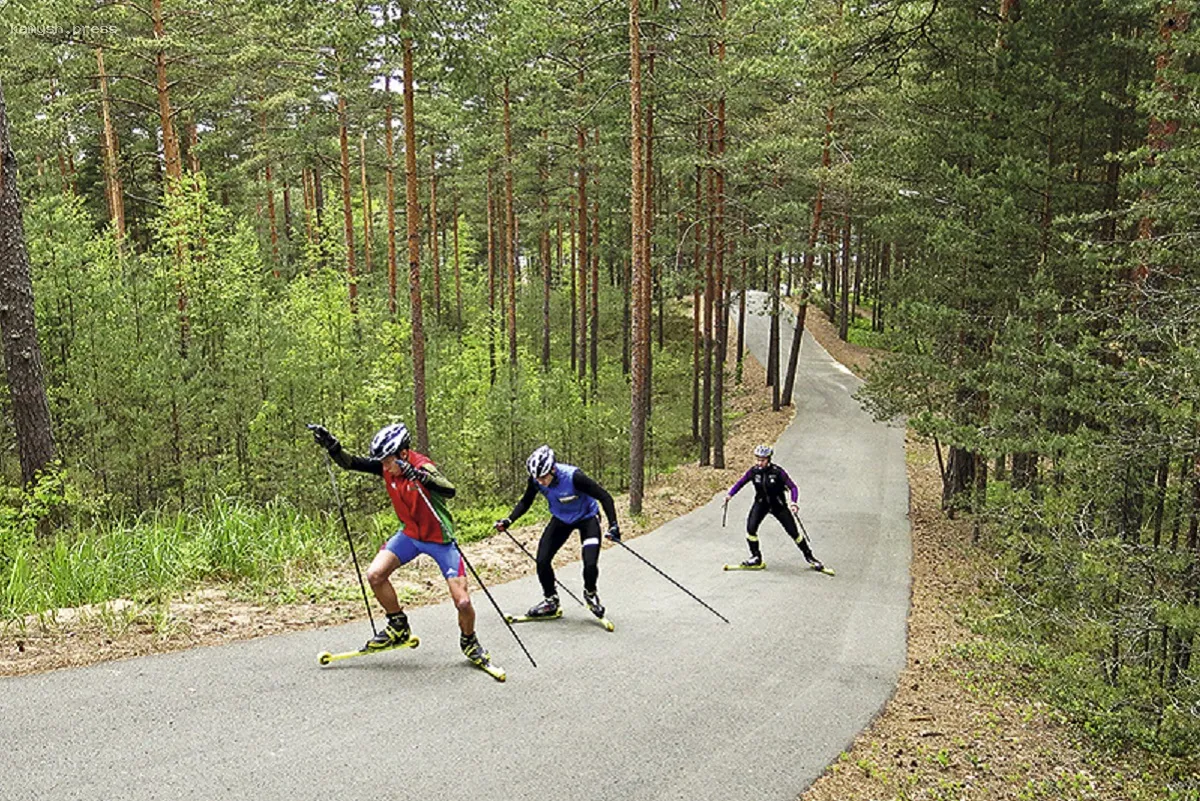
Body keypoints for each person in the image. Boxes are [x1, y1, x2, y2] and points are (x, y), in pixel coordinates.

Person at [308, 422, 495, 669]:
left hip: (440, 540)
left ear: (403, 454)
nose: (384, 467)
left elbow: (449, 489)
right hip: (409, 536)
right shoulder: (387, 467)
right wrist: (333, 447)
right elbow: (350, 462)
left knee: (463, 602)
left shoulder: (422, 466)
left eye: (388, 461)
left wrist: (420, 477)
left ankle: (469, 641)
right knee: (375, 574)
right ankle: (398, 625)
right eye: (382, 462)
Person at [494, 445, 621, 619]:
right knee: (542, 560)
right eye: (537, 478)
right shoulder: (536, 480)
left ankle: (590, 594)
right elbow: (525, 502)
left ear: (553, 469)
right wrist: (509, 520)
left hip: (587, 518)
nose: (540, 482)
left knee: (590, 563)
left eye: (543, 477)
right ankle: (551, 601)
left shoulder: (574, 477)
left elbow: (604, 496)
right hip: (561, 520)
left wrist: (613, 525)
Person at [724, 444, 824, 572]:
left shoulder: (777, 472)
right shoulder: (754, 471)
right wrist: (730, 494)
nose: (760, 462)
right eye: (758, 459)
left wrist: (793, 502)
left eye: (763, 460)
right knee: (750, 529)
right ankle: (756, 557)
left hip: (778, 505)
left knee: (794, 533)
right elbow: (741, 482)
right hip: (761, 504)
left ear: (769, 459)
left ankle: (810, 557)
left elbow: (793, 487)